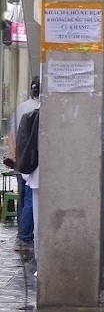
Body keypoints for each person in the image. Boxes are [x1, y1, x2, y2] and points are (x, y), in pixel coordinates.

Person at [5, 77, 40, 254]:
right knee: (29, 201)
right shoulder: (38, 110)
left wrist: (15, 156)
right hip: (32, 163)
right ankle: (25, 237)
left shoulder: (21, 107)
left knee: (24, 200)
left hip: (21, 162)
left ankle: (24, 235)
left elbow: (10, 135)